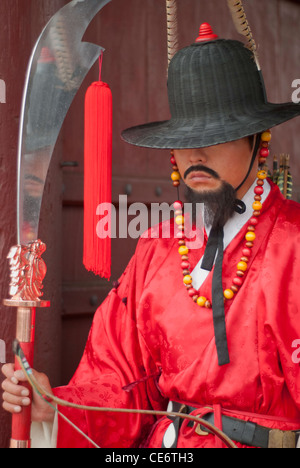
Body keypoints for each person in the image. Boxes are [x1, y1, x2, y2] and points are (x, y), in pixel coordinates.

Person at [2, 24, 300, 449]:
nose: (195, 154)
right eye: (184, 141)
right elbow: (117, 383)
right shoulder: (158, 248)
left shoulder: (293, 242)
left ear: (257, 139)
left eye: (214, 137)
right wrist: (55, 407)